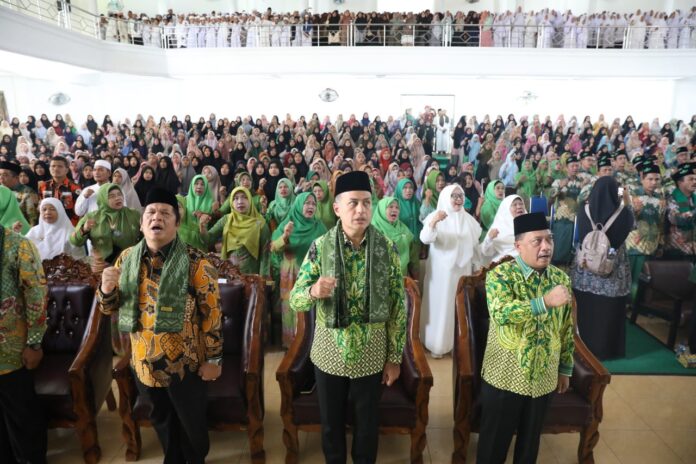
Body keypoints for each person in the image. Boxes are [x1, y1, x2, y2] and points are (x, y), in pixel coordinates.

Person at [98, 187, 222, 464]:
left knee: (191, 422)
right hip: (143, 362)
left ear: (177, 223)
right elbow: (109, 308)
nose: (157, 217)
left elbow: (212, 314)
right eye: (151, 213)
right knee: (161, 419)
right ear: (141, 224)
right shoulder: (126, 259)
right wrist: (106, 289)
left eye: (166, 213)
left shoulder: (196, 262)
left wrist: (214, 359)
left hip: (186, 363)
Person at [289, 171, 406, 464]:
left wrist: (394, 358)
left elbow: (397, 305)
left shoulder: (385, 248)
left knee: (367, 426)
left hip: (372, 352)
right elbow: (295, 298)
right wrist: (313, 291)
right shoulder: (320, 247)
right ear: (337, 208)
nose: (361, 210)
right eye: (353, 203)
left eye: (366, 203)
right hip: (329, 353)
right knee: (331, 425)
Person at [477, 212, 574, 464]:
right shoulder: (501, 275)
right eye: (537, 241)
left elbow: (566, 327)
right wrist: (544, 302)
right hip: (505, 376)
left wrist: (565, 368)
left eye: (549, 240)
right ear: (518, 246)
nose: (546, 247)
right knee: (493, 447)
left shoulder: (560, 279)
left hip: (544, 376)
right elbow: (501, 313)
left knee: (529, 447)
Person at [0, 217, 48, 464]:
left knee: (22, 419)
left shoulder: (17, 245)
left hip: (13, 353)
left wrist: (34, 343)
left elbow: (37, 295)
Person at [571, 176, 634, 360]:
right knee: (608, 311)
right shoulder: (624, 214)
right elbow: (632, 226)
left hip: (585, 271)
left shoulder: (583, 210)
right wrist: (626, 200)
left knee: (585, 309)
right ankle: (607, 350)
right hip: (612, 271)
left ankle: (582, 348)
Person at [420, 185, 482, 357]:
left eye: (460, 195)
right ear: (446, 198)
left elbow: (475, 246)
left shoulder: (468, 219)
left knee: (459, 307)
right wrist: (434, 222)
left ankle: (457, 345)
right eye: (454, 196)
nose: (458, 199)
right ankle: (437, 345)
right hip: (441, 273)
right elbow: (425, 238)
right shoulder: (436, 215)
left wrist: (477, 267)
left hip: (462, 271)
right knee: (441, 307)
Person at [270, 192, 327, 348]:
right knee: (291, 308)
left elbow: (328, 248)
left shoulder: (319, 226)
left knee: (310, 309)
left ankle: (310, 346)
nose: (310, 206)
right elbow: (273, 248)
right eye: (307, 203)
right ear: (299, 205)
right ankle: (291, 345)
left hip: (313, 275)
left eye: (313, 204)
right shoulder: (287, 224)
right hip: (292, 273)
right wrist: (285, 236)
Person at [70, 183, 141, 274]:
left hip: (129, 266)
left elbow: (146, 238)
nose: (118, 198)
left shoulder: (133, 215)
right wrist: (84, 230)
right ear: (102, 198)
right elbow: (75, 242)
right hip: (100, 268)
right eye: (111, 196)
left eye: (119, 194)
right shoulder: (92, 217)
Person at [204, 186, 270, 275]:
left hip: (251, 276)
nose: (240, 201)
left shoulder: (260, 224)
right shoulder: (226, 220)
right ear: (231, 202)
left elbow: (265, 254)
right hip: (228, 275)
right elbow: (209, 239)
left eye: (244, 197)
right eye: (235, 198)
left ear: (250, 200)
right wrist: (202, 226)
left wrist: (263, 277)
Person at [626, 163, 666, 301]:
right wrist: (633, 211)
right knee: (630, 280)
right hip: (633, 247)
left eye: (657, 179)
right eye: (650, 179)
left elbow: (661, 223)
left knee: (645, 282)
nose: (654, 182)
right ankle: (627, 306)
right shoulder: (630, 193)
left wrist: (661, 244)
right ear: (642, 178)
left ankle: (640, 306)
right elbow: (619, 215)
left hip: (651, 247)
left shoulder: (660, 199)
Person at [371, 196, 419, 279]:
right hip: (381, 277)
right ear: (381, 210)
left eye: (397, 207)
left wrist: (415, 275)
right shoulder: (373, 231)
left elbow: (413, 254)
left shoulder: (403, 228)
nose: (394, 210)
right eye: (390, 207)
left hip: (402, 275)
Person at [481, 194, 528, 264]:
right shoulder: (499, 227)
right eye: (514, 205)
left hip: (527, 261)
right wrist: (489, 238)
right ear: (507, 208)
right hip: (505, 263)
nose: (519, 207)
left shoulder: (529, 223)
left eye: (521, 204)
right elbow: (486, 252)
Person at [37, 155, 82, 225]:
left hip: (69, 226)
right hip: (49, 225)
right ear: (49, 169)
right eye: (53, 166)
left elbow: (79, 211)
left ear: (67, 170)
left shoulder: (75, 188)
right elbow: (40, 206)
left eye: (60, 166)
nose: (55, 169)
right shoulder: (43, 186)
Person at [665, 162, 696, 259]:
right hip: (678, 250)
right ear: (680, 182)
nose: (695, 182)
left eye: (695, 179)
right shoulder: (672, 198)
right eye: (691, 179)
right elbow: (676, 219)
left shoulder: (694, 198)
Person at [0, 161, 39, 226]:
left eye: (5, 175)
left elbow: (33, 220)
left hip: (20, 229)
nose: (1, 177)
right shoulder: (1, 191)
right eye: (0, 175)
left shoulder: (28, 192)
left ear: (16, 178)